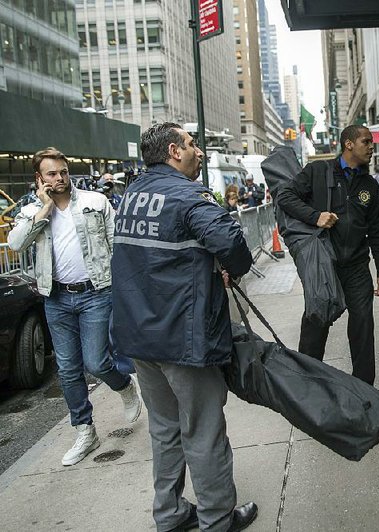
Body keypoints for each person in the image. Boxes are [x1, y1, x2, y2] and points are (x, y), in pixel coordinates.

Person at [111, 123, 258, 531]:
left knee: (165, 429)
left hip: (141, 338)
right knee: (204, 430)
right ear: (174, 151)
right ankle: (217, 520)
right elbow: (232, 244)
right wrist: (231, 267)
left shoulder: (130, 197)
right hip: (183, 338)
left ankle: (171, 514)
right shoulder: (190, 195)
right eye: (193, 145)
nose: (199, 152)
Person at [7, 147, 141, 467]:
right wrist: (44, 208)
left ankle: (124, 386)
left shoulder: (95, 202)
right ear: (39, 178)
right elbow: (14, 244)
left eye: (63, 171)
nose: (60, 178)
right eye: (52, 173)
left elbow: (118, 243)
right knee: (67, 369)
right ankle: (85, 430)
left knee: (96, 362)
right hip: (56, 298)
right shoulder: (32, 212)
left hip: (95, 292)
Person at [277, 124, 379, 386]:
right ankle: (309, 386)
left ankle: (364, 389)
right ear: (348, 144)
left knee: (362, 326)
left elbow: (376, 230)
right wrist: (316, 217)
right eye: (366, 142)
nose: (371, 147)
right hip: (324, 265)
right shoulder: (318, 171)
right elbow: (285, 196)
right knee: (317, 322)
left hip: (358, 267)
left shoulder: (369, 184)